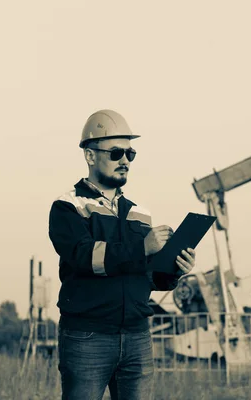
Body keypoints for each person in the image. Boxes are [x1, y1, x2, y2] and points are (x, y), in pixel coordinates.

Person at [48, 109, 195, 400]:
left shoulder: (140, 213)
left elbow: (148, 277)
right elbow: (86, 258)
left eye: (130, 153)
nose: (125, 161)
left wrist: (175, 269)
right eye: (116, 153)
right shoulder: (67, 207)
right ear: (90, 156)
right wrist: (143, 248)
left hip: (138, 337)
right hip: (88, 338)